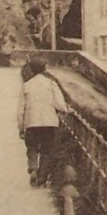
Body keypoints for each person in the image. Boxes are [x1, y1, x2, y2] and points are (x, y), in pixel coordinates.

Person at [16, 58, 67, 187]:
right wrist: (64, 110)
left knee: (32, 147)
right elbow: (60, 104)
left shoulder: (27, 85)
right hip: (49, 122)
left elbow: (21, 109)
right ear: (44, 69)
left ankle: (33, 167)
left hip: (32, 121)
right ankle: (41, 178)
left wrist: (21, 127)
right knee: (47, 150)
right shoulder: (51, 84)